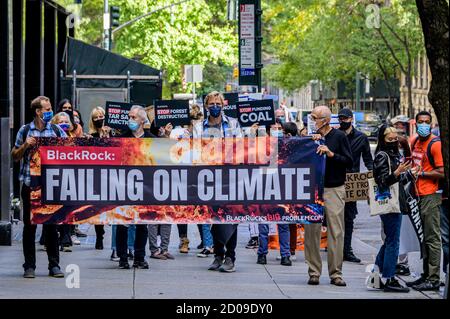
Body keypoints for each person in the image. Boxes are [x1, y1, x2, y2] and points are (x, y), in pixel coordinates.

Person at [11, 96, 66, 278]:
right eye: (47, 109)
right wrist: (26, 145)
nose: (50, 112)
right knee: (30, 226)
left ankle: (54, 265)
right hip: (30, 185)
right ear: (38, 111)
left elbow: (72, 150)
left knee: (51, 226)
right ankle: (29, 266)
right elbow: (15, 155)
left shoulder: (56, 131)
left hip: (51, 186)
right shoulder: (25, 130)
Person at [193, 91, 242, 273]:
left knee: (230, 216)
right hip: (208, 177)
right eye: (211, 104)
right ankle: (218, 255)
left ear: (223, 105)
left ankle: (230, 257)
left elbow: (240, 149)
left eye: (218, 103)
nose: (215, 107)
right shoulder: (199, 127)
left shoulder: (234, 124)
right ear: (206, 106)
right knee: (213, 217)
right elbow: (196, 150)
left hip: (229, 177)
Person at [304, 105, 353, 286]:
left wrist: (331, 154)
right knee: (311, 232)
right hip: (313, 190)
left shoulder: (339, 136)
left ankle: (336, 273)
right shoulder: (309, 137)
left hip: (334, 188)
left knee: (336, 231)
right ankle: (314, 272)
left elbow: (349, 161)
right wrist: (311, 142)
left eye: (314, 117)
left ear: (324, 120)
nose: (311, 120)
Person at [407, 111, 444, 291]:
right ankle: (425, 275)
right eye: (420, 121)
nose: (423, 124)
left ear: (431, 124)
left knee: (432, 238)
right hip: (417, 194)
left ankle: (434, 278)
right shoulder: (414, 141)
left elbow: (442, 172)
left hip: (431, 195)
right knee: (424, 238)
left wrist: (421, 174)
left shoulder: (435, 145)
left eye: (426, 122)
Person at [372, 125, 411, 293]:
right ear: (383, 140)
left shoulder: (393, 154)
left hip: (395, 202)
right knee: (393, 241)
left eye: (396, 139)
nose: (394, 142)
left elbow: (396, 181)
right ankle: (389, 278)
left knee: (390, 239)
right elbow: (382, 182)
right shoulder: (382, 155)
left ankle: (377, 273)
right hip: (389, 204)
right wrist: (397, 173)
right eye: (390, 139)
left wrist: (408, 174)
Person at [116, 105, 152, 269]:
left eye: (133, 117)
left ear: (143, 120)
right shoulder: (121, 139)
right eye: (129, 117)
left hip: (145, 188)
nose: (130, 120)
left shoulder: (152, 140)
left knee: (141, 224)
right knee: (122, 224)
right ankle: (123, 258)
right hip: (124, 186)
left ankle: (139, 257)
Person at [338, 108, 374, 263]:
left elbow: (367, 159)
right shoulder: (335, 135)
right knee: (334, 217)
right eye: (340, 119)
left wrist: (373, 175)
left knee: (349, 218)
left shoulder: (361, 138)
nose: (343, 121)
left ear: (351, 119)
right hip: (336, 180)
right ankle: (336, 248)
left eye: (345, 119)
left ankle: (347, 250)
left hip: (353, 182)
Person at [50, 112, 77, 252]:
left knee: (67, 208)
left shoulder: (74, 138)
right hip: (54, 176)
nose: (64, 124)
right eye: (60, 121)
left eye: (66, 121)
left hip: (68, 177)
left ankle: (66, 238)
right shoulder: (51, 137)